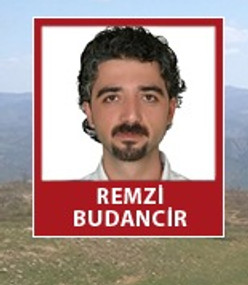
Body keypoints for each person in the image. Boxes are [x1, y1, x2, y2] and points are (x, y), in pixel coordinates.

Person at [78, 26, 187, 181]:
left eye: (148, 98)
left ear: (170, 111)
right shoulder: (61, 204)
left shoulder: (206, 203)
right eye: (112, 98)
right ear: (89, 113)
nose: (131, 117)